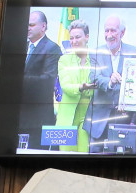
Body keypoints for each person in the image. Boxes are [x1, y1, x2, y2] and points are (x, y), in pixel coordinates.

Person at [85, 15, 136, 151]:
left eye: (113, 31)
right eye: (106, 31)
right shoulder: (95, 52)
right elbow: (94, 77)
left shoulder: (134, 52)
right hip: (99, 120)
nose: (109, 35)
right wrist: (110, 81)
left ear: (122, 32)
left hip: (124, 118)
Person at [20, 10, 61, 150]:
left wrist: (16, 81)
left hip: (38, 120)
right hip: (17, 117)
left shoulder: (52, 48)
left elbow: (47, 81)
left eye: (31, 25)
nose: (27, 28)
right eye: (27, 24)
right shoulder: (22, 46)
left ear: (43, 27)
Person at [55, 20, 95, 152]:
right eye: (71, 38)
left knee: (84, 157)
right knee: (65, 161)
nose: (74, 41)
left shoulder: (96, 59)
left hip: (88, 117)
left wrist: (90, 90)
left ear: (87, 37)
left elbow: (99, 86)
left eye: (78, 37)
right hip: (67, 118)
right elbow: (66, 86)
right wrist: (81, 87)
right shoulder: (64, 60)